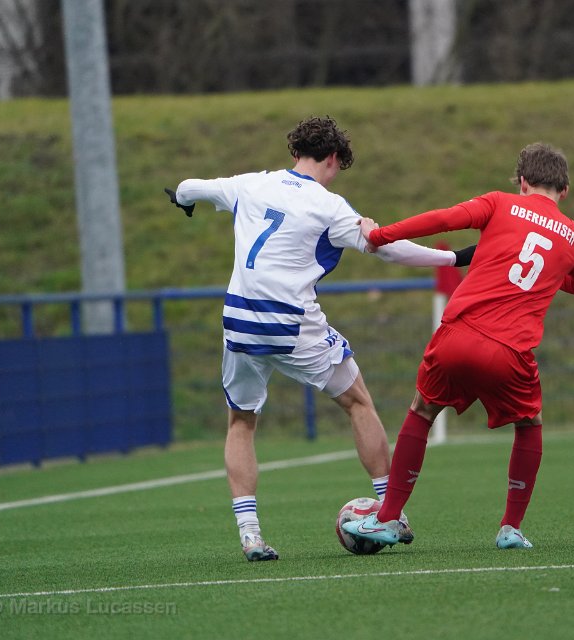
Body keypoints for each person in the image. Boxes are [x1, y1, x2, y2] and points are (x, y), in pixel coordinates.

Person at [165, 116, 474, 561]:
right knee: (358, 402)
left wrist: (182, 199)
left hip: (239, 321)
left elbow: (190, 186)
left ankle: (250, 534)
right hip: (291, 324)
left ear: (295, 152)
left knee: (241, 422)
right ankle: (392, 513)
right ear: (332, 158)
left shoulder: (250, 184)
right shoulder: (329, 207)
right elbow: (386, 247)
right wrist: (454, 257)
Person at [342, 142, 574, 550]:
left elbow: (442, 219)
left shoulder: (499, 203)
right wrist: (552, 272)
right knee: (528, 424)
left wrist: (379, 234)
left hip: (458, 334)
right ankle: (510, 528)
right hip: (511, 351)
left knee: (422, 411)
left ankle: (388, 518)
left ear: (522, 182)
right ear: (564, 191)